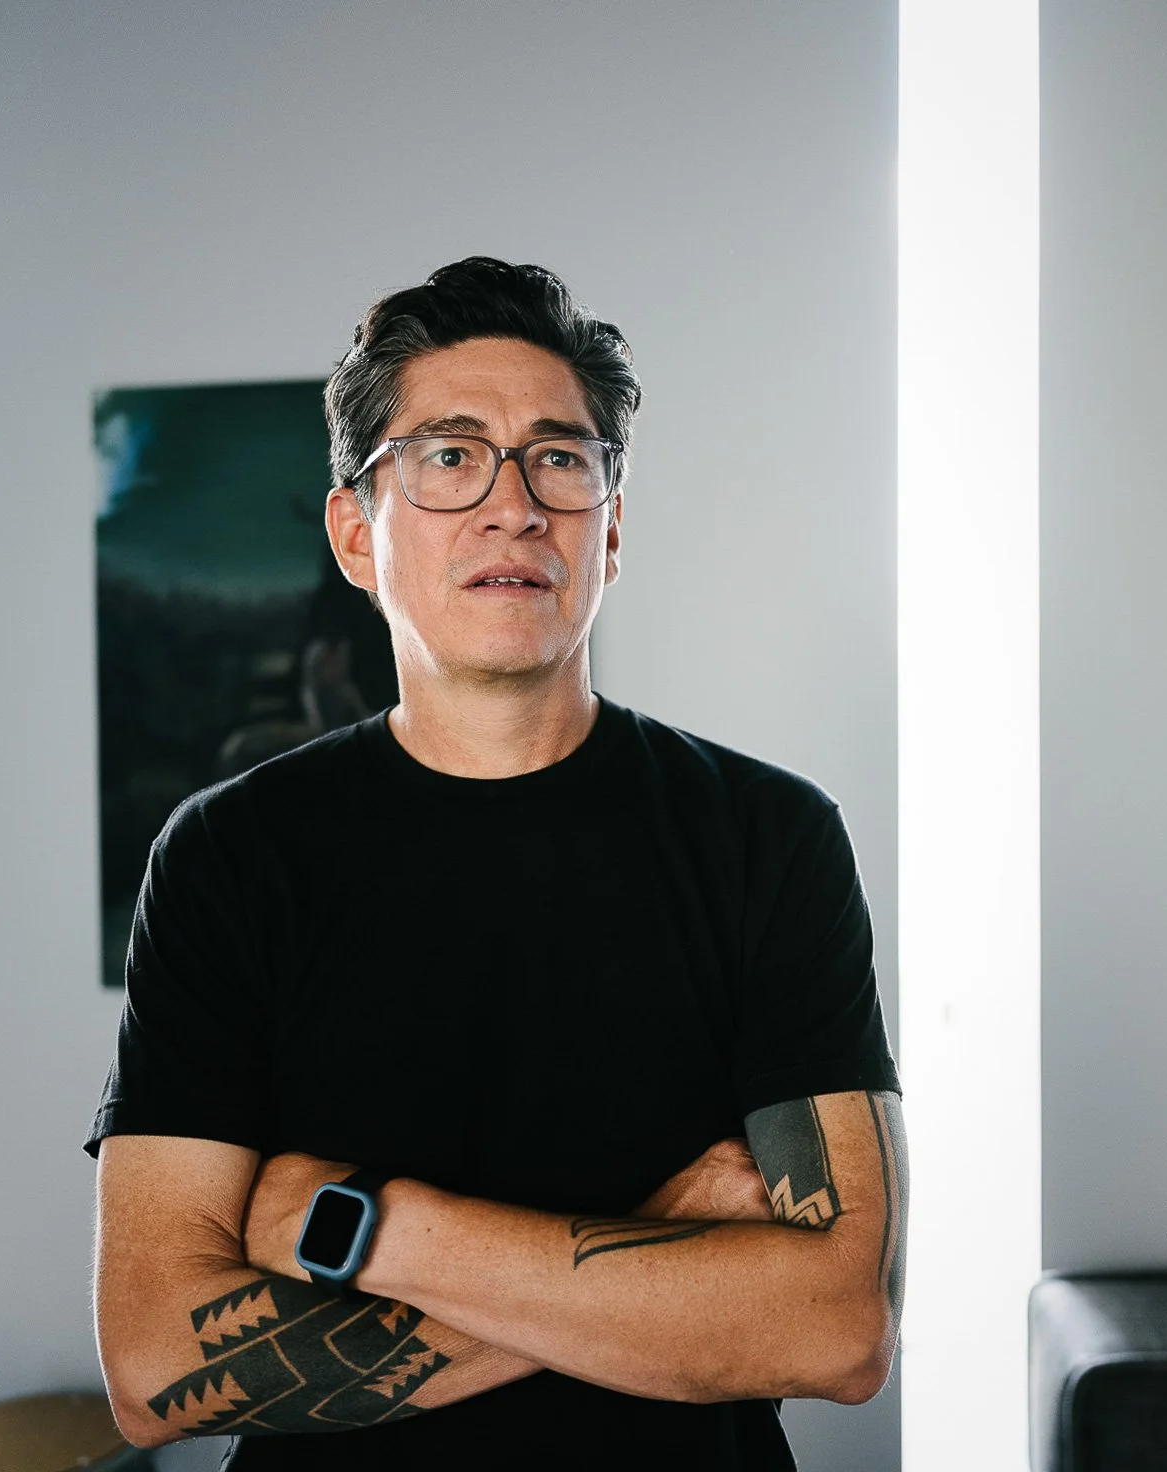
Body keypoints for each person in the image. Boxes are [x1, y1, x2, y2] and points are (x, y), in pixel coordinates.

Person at [86, 256, 908, 1471]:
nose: (512, 505)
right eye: (449, 455)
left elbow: (836, 1327)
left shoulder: (767, 835)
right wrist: (655, 1238)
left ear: (608, 530)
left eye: (558, 459)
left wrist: (376, 1227)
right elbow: (157, 1365)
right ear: (355, 534)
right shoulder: (226, 857)